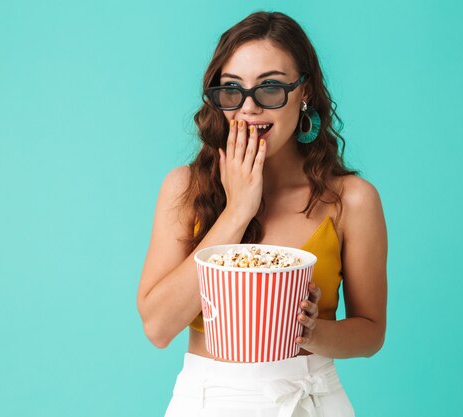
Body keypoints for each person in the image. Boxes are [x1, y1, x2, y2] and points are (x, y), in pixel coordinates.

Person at [137, 11, 388, 417]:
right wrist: (237, 211)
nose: (249, 109)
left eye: (270, 88)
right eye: (232, 90)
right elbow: (158, 327)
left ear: (304, 91)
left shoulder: (352, 200)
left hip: (310, 401)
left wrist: (312, 331)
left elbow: (371, 332)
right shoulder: (186, 188)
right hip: (207, 401)